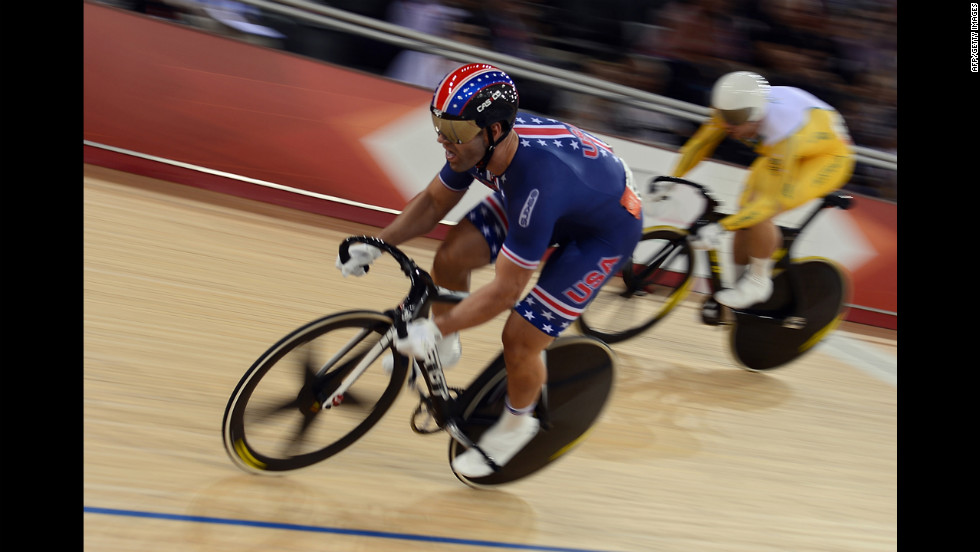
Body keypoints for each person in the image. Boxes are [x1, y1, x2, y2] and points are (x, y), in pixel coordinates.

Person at [336, 63, 643, 477]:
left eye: (455, 132)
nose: (444, 141)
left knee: (520, 337)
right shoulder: (477, 144)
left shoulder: (535, 180)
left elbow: (504, 293)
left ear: (494, 131)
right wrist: (378, 243)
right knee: (451, 257)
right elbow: (431, 204)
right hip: (558, 195)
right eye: (439, 126)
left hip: (603, 232)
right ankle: (444, 350)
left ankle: (520, 422)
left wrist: (434, 327)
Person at [674, 70, 855, 308]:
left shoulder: (783, 129)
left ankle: (759, 281)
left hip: (827, 158)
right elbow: (700, 144)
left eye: (736, 120)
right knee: (744, 212)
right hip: (784, 150)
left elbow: (767, 204)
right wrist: (671, 178)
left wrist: (721, 227)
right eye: (725, 116)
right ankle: (736, 287)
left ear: (757, 114)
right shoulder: (733, 109)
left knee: (760, 210)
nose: (728, 125)